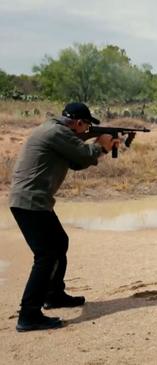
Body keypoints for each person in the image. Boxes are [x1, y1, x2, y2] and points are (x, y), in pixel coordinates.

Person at [9, 102, 118, 332]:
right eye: (87, 125)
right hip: (30, 202)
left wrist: (97, 146)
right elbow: (86, 154)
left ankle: (54, 294)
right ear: (79, 123)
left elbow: (77, 162)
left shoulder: (53, 130)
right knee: (46, 255)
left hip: (33, 201)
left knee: (59, 242)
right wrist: (102, 147)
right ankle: (28, 314)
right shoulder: (57, 132)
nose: (87, 129)